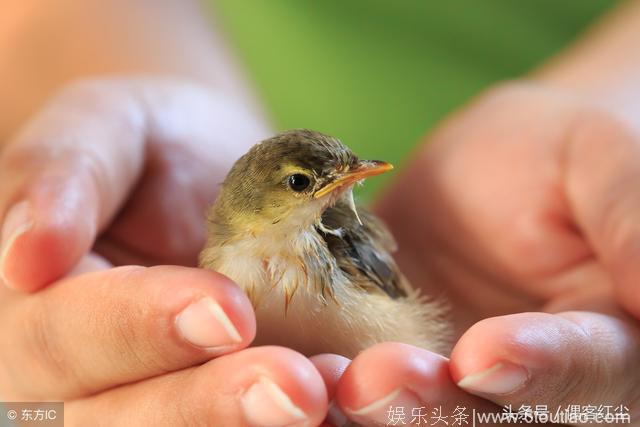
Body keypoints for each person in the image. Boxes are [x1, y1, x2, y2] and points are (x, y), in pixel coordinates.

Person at [1, 1, 639, 425]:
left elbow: (403, 315)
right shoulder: (218, 264)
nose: (340, 188)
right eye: (307, 183)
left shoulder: (341, 240)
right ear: (260, 200)